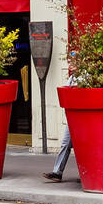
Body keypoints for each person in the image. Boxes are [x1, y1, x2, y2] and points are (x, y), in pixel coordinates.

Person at [43, 52, 77, 183]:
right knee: (65, 144)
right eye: (69, 62)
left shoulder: (84, 77)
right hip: (72, 117)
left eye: (73, 62)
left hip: (81, 119)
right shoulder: (71, 78)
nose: (70, 65)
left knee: (84, 148)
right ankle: (57, 172)